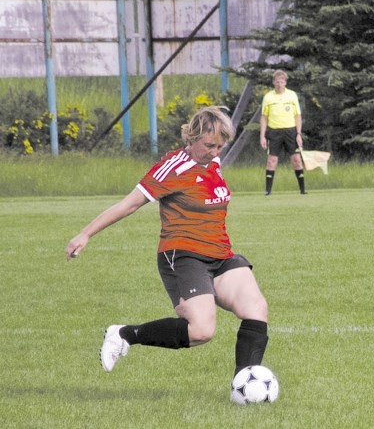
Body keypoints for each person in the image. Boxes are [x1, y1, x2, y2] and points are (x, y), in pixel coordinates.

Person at [66, 106, 270, 379]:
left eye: (220, 146)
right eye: (209, 145)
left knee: (256, 308)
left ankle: (245, 383)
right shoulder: (173, 167)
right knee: (201, 330)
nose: (215, 152)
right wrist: (86, 233)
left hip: (221, 254)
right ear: (192, 138)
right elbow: (129, 205)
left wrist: (214, 152)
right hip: (184, 255)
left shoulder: (213, 162)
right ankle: (124, 334)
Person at [259, 69, 305, 195]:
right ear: (274, 82)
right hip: (274, 132)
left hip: (290, 131)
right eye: (277, 82)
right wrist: (262, 136)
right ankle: (268, 191)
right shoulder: (268, 97)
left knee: (296, 159)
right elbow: (264, 117)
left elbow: (298, 116)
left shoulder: (292, 95)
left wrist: (298, 134)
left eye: (282, 81)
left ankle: (302, 190)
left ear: (285, 82)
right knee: (272, 161)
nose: (279, 84)